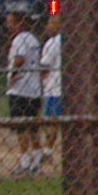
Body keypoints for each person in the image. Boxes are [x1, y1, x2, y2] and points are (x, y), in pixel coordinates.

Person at [3, 11, 45, 176]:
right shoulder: (33, 39)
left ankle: (24, 163)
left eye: (11, 22)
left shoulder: (19, 39)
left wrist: (13, 74)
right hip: (34, 89)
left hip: (20, 88)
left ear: (19, 23)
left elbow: (19, 59)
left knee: (21, 128)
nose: (8, 25)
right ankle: (36, 162)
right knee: (34, 128)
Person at [38, 15, 64, 162]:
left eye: (51, 23)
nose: (47, 26)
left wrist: (40, 79)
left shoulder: (53, 42)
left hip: (54, 88)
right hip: (65, 87)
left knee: (52, 121)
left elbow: (45, 65)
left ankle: (47, 151)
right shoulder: (70, 40)